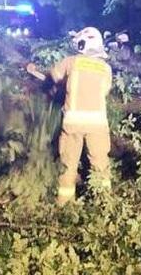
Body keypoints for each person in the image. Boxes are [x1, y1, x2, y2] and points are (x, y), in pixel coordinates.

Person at [26, 27, 113, 204]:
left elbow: (53, 77)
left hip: (73, 123)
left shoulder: (71, 62)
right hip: (98, 124)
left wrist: (35, 71)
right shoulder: (106, 68)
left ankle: (65, 204)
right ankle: (104, 203)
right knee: (101, 164)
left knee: (68, 164)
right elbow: (104, 91)